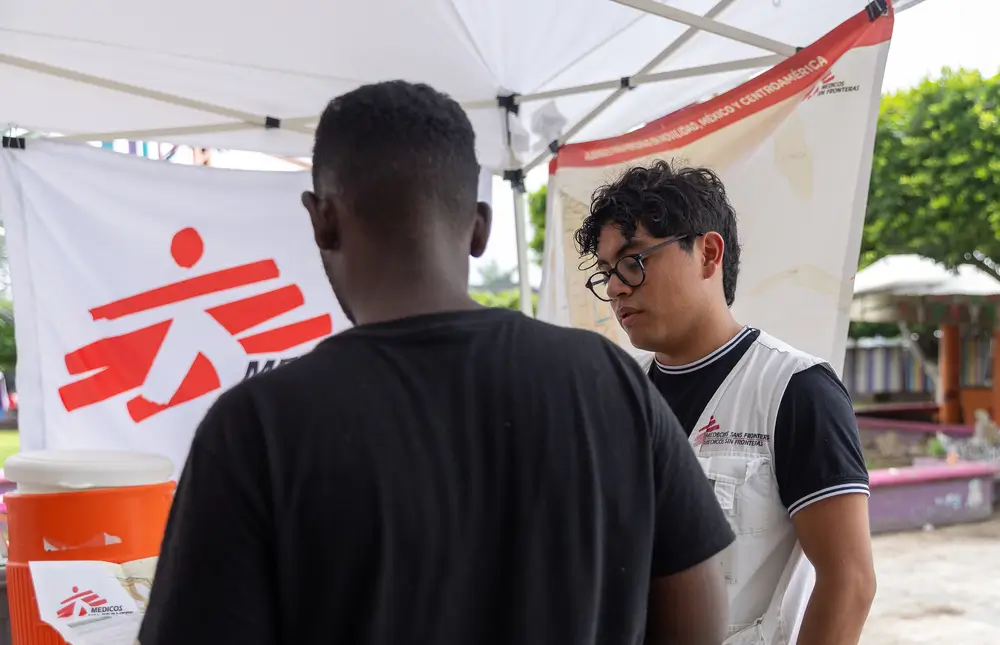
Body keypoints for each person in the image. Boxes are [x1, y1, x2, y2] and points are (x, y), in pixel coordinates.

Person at [139, 81, 738, 645]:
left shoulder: (255, 428)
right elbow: (698, 616)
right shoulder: (610, 384)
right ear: (479, 228)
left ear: (321, 219)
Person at [574, 162, 876, 645]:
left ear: (708, 254)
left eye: (633, 262)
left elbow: (850, 582)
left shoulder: (795, 390)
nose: (614, 288)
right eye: (606, 272)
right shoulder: (615, 397)